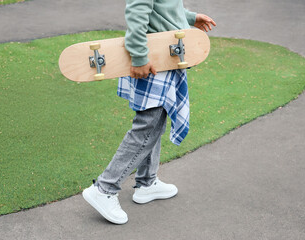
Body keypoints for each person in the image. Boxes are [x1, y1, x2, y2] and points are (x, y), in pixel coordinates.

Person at [82, 0, 216, 225]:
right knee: (148, 125)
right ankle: (104, 189)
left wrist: (190, 18)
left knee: (156, 121)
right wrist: (139, 57)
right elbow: (137, 12)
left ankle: (146, 182)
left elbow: (164, 6)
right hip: (152, 58)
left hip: (164, 56)